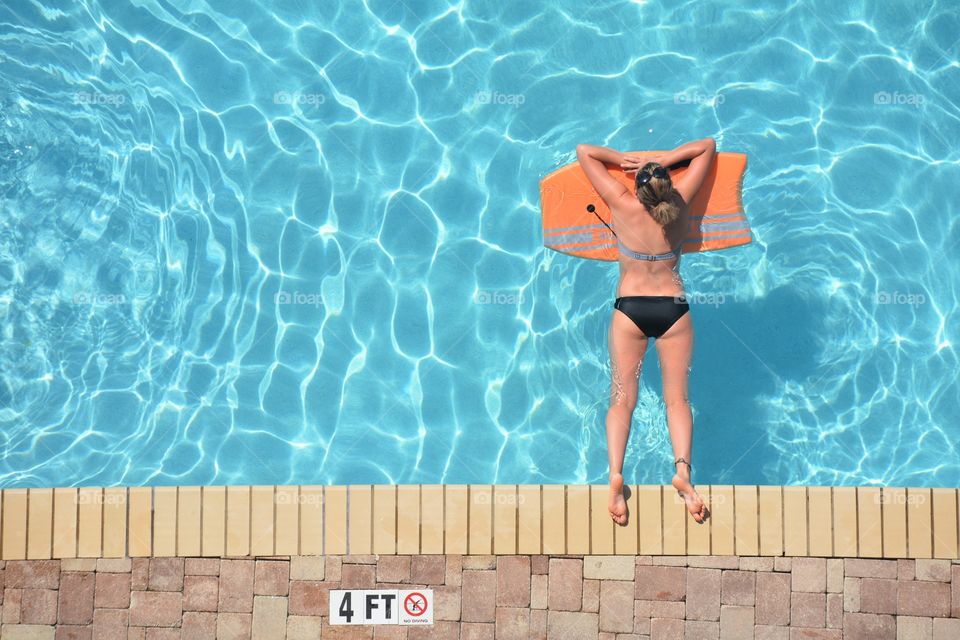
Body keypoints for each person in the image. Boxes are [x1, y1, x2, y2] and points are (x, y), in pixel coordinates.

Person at [575, 138, 717, 526]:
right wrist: (667, 159)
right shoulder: (683, 200)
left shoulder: (620, 202)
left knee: (621, 399)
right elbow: (708, 146)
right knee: (677, 401)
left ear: (637, 188)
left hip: (631, 308)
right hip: (672, 310)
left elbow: (584, 152)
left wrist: (627, 159)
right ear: (668, 188)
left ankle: (616, 476)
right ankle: (683, 472)